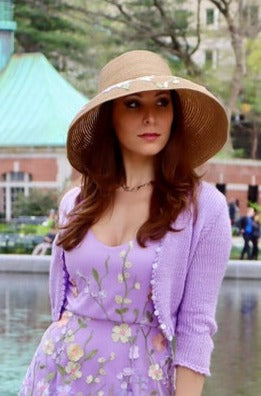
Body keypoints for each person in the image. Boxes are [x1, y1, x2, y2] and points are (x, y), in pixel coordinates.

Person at [19, 50, 231, 396]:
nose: (151, 117)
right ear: (109, 118)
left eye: (162, 103)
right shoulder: (75, 203)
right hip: (54, 377)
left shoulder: (204, 208)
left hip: (139, 383)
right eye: (133, 104)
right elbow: (60, 311)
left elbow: (196, 328)